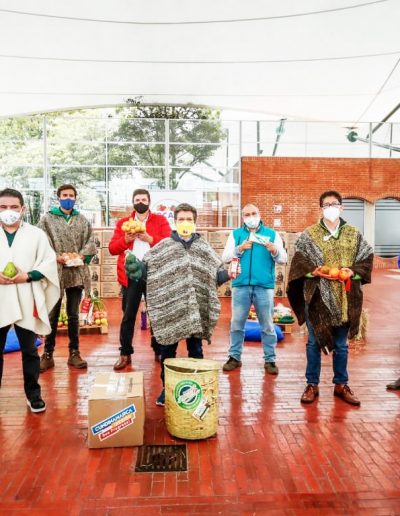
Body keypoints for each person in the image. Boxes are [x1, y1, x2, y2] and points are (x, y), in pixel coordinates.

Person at [125, 203, 231, 406]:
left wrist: (229, 274)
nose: (185, 223)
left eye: (189, 219)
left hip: (196, 310)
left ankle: (196, 387)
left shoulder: (204, 248)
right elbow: (147, 270)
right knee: (167, 353)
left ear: (195, 222)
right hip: (171, 310)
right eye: (181, 219)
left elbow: (216, 277)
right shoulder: (163, 246)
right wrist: (135, 269)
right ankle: (168, 390)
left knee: (196, 351)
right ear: (175, 222)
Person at [287, 190, 373, 406]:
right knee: (313, 343)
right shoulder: (309, 235)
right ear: (321, 209)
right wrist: (313, 271)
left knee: (342, 345)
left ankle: (341, 384)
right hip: (317, 297)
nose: (331, 208)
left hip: (345, 298)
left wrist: (352, 271)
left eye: (335, 204)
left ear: (342, 207)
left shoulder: (353, 233)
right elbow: (298, 262)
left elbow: (366, 258)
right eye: (327, 205)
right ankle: (312, 384)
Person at [0, 188, 60, 412]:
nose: (9, 211)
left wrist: (27, 276)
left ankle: (33, 394)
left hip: (27, 295)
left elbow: (48, 263)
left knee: (29, 350)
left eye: (14, 207)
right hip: (1, 297)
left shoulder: (36, 235)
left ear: (23, 209)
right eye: (3, 207)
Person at [109, 188, 171, 370]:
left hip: (155, 273)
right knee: (128, 315)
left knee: (157, 314)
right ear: (133, 202)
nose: (140, 202)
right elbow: (112, 249)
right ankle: (125, 353)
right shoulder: (123, 223)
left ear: (149, 201)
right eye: (137, 200)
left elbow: (169, 245)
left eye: (143, 199)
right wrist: (126, 240)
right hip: (131, 275)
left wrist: (149, 238)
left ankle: (158, 349)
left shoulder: (160, 220)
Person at [221, 203, 287, 374]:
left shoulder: (272, 234)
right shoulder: (236, 234)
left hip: (264, 286)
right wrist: (239, 249)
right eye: (247, 214)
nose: (251, 217)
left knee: (267, 325)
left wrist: (275, 251)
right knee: (237, 323)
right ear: (242, 218)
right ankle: (234, 357)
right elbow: (225, 257)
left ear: (259, 214)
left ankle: (270, 360)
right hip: (240, 285)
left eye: (254, 213)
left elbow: (283, 259)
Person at [38, 184, 96, 371]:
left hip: (76, 271)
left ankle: (74, 353)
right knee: (53, 314)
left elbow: (90, 242)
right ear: (59, 198)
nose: (68, 198)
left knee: (73, 314)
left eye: (71, 195)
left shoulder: (82, 220)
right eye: (65, 195)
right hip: (55, 270)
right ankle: (47, 354)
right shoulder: (47, 219)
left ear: (75, 198)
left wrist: (82, 256)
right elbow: (41, 242)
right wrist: (55, 256)